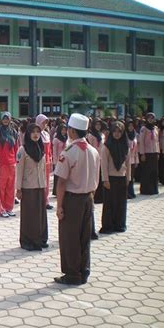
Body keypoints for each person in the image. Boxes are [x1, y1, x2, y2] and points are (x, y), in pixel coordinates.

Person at [54, 113, 100, 285]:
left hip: (72, 200)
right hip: (88, 198)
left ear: (72, 132)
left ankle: (72, 274)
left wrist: (59, 206)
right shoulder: (93, 151)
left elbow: (61, 182)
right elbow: (96, 178)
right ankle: (84, 270)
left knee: (69, 237)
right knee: (84, 236)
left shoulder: (68, 152)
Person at [16, 123, 48, 251]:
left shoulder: (41, 148)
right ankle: (27, 241)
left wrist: (45, 186)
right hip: (28, 187)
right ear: (28, 134)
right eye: (33, 132)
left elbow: (44, 169)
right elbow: (19, 170)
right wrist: (18, 189)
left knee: (40, 214)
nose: (35, 134)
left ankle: (40, 238)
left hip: (40, 186)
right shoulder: (22, 150)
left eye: (38, 132)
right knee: (29, 215)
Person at [100, 122, 131, 234]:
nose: (117, 134)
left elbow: (128, 163)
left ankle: (120, 224)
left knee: (121, 203)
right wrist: (105, 179)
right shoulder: (107, 146)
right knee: (109, 203)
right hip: (110, 179)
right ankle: (108, 226)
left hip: (122, 178)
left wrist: (128, 178)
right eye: (115, 131)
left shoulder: (125, 146)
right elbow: (103, 164)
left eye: (119, 132)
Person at [0, 112, 19, 218]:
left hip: (12, 163)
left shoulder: (13, 132)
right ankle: (1, 209)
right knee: (1, 188)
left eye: (7, 118)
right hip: (1, 164)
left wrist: (16, 160)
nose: (5, 120)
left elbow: (16, 148)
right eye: (4, 118)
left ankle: (9, 208)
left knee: (11, 187)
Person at [35, 114, 53, 210]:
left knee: (46, 182)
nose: (44, 125)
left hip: (46, 162)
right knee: (39, 182)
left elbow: (49, 149)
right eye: (43, 123)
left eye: (46, 123)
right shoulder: (35, 134)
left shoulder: (46, 134)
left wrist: (50, 159)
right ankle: (39, 201)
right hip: (38, 161)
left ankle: (46, 201)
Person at [139, 112, 160, 195]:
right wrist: (142, 154)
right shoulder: (144, 129)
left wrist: (158, 152)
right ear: (146, 119)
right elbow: (141, 142)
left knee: (154, 171)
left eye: (152, 118)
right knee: (147, 171)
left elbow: (157, 141)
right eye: (149, 118)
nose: (151, 120)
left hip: (154, 153)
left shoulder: (155, 128)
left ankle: (154, 189)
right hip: (147, 153)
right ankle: (146, 189)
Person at [87, 118, 105, 204]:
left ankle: (101, 196)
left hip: (101, 158)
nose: (98, 126)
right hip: (93, 158)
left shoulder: (101, 135)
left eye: (99, 125)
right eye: (96, 125)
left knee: (100, 177)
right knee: (94, 177)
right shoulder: (91, 135)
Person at [52, 124, 68, 196]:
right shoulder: (56, 139)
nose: (64, 131)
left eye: (65, 130)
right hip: (58, 159)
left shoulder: (67, 138)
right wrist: (55, 162)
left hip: (65, 159)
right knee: (57, 176)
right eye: (62, 130)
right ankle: (56, 191)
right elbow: (54, 151)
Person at [126, 120, 138, 199]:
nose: (130, 127)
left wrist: (137, 160)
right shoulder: (124, 136)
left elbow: (136, 149)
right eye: (129, 126)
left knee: (132, 177)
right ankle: (126, 193)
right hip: (126, 160)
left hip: (133, 159)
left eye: (132, 126)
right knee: (127, 177)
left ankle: (131, 192)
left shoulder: (134, 135)